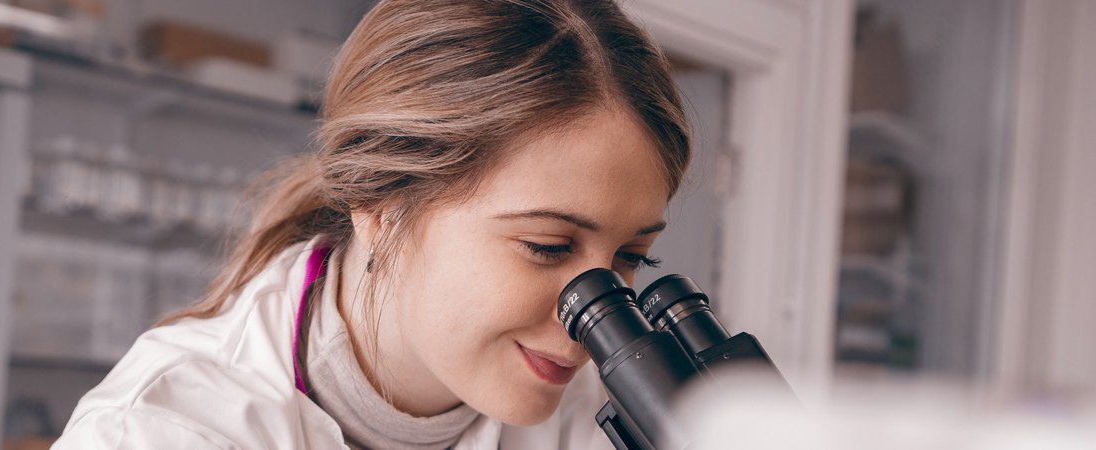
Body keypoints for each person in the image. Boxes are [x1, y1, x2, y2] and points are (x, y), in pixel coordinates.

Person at [53, 0, 690, 448]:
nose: (593, 319)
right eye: (546, 246)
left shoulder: (591, 413)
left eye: (632, 257)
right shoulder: (162, 433)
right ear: (382, 209)